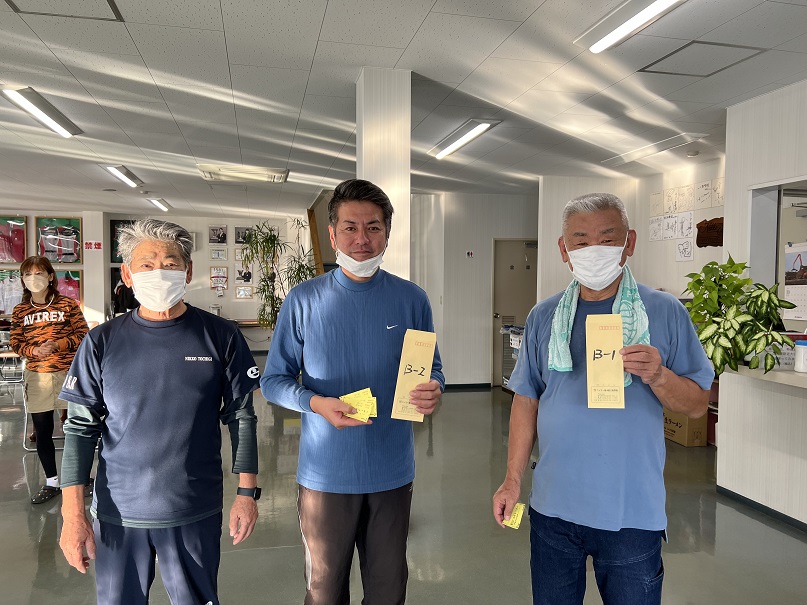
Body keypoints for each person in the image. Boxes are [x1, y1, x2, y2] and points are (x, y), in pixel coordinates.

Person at [492, 193, 714, 605]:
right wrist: (512, 479)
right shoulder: (545, 316)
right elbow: (526, 401)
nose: (594, 250)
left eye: (607, 239)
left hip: (631, 513)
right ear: (564, 250)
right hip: (554, 509)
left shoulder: (663, 312)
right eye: (581, 241)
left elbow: (698, 403)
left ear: (629, 243)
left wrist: (659, 375)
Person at [58, 219, 262, 605]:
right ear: (128, 275)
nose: (159, 273)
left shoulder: (221, 336)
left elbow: (242, 417)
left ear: (188, 271)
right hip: (118, 512)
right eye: (147, 265)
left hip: (194, 507)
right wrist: (73, 515)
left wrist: (247, 492)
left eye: (170, 264)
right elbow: (80, 430)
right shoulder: (101, 342)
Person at [261, 178, 444, 605]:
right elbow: (273, 381)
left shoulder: (411, 299)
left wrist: (435, 387)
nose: (362, 239)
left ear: (387, 233)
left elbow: (431, 367)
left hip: (391, 470)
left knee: (388, 590)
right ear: (332, 234)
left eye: (373, 227)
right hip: (326, 475)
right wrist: (314, 403)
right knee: (324, 592)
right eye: (350, 227)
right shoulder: (304, 301)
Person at [10, 255, 88, 504]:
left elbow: (83, 334)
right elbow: (16, 343)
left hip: (69, 374)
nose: (33, 278)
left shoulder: (67, 304)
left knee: (77, 429)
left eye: (39, 273)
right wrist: (34, 350)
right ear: (23, 279)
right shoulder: (20, 310)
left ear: (50, 276)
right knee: (42, 430)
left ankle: (80, 480)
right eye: (28, 274)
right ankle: (52, 482)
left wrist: (59, 344)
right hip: (37, 376)